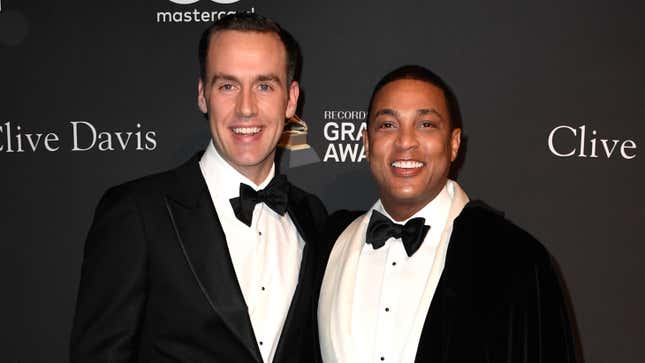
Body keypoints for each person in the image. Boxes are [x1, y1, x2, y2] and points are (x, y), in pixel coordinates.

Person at [70, 13, 327, 363]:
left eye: (264, 85)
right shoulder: (137, 213)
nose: (246, 108)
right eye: (228, 86)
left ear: (291, 99)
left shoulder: (311, 216)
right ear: (203, 95)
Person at [318, 65, 578, 362]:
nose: (405, 142)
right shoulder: (328, 244)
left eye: (426, 124)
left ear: (453, 144)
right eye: (388, 125)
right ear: (366, 142)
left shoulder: (516, 260)